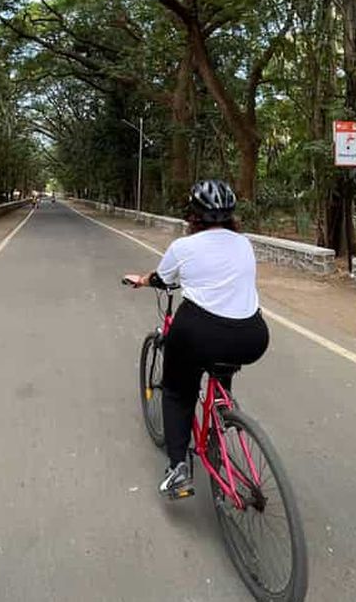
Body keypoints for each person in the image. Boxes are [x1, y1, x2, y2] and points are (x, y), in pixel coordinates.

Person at [123, 180, 269, 497]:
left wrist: (142, 281)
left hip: (200, 333)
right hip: (252, 336)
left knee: (177, 391)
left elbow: (162, 279)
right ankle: (221, 411)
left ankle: (178, 468)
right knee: (221, 363)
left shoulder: (183, 248)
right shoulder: (244, 244)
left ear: (193, 216)